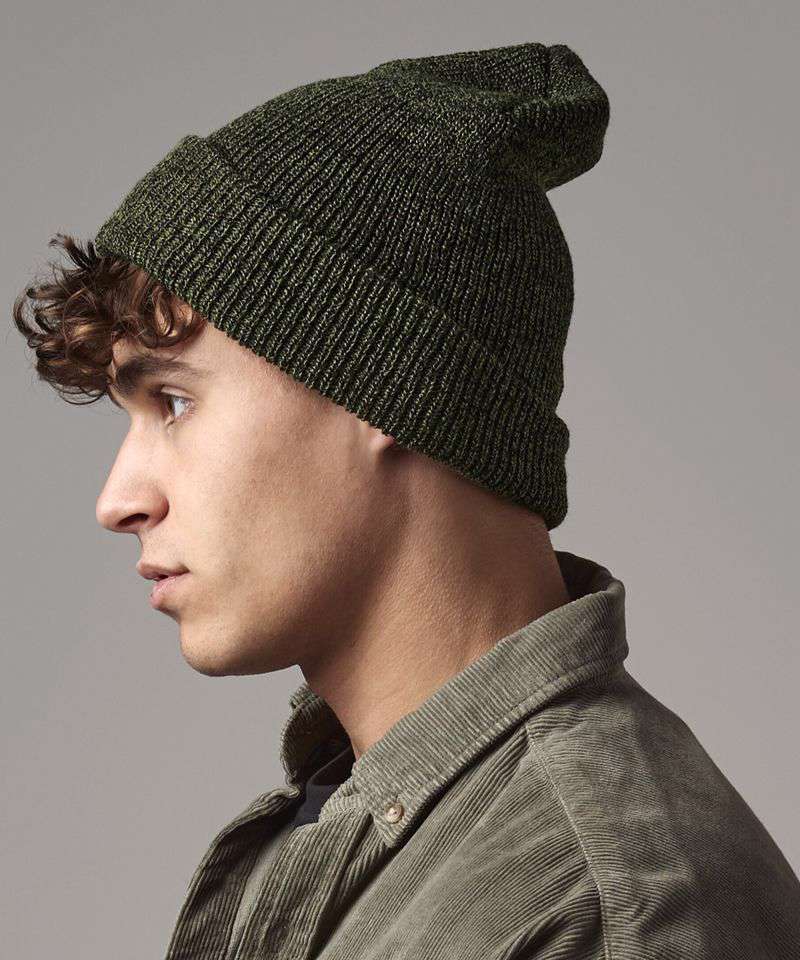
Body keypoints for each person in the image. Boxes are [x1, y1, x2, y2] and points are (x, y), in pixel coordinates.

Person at [12, 39, 800, 960]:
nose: (118, 500)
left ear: (386, 391)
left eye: (175, 403)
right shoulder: (361, 827)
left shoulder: (605, 912)